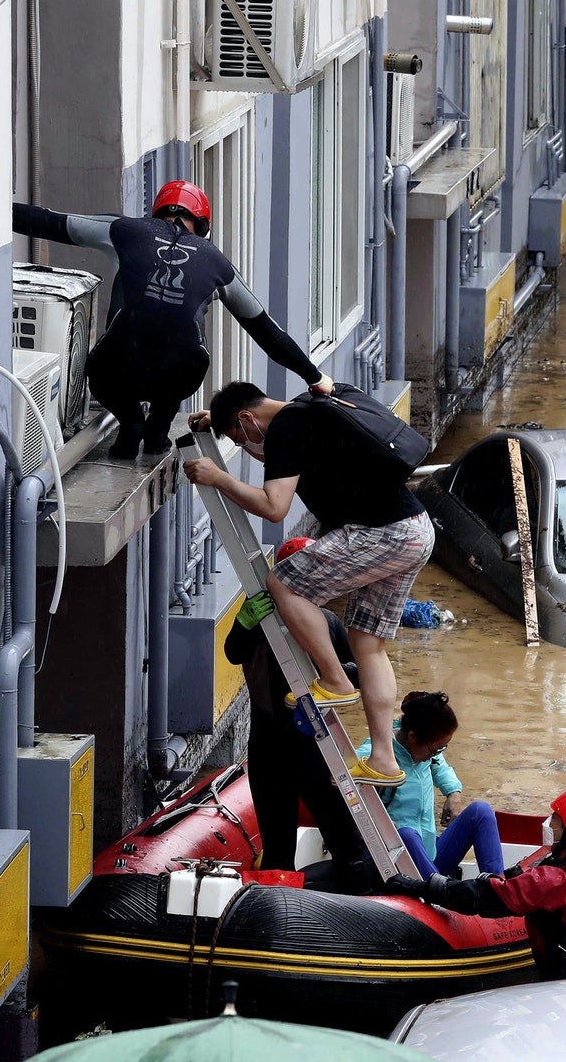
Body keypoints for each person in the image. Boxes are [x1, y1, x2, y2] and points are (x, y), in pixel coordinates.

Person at [184, 380, 436, 787]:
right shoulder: (310, 405)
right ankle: (384, 761)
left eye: (240, 437)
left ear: (248, 418)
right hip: (415, 529)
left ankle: (335, 680)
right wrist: (221, 419)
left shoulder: (284, 430)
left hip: (382, 533)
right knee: (367, 642)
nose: (247, 447)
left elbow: (273, 506)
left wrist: (218, 477)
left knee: (282, 583)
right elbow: (255, 419)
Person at [13, 182, 332, 459]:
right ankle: (157, 431)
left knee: (103, 362)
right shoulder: (218, 263)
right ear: (203, 225)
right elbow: (266, 331)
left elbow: (51, 223)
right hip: (179, 373)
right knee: (185, 351)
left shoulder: (125, 230)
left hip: (119, 366)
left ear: (157, 213)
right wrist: (314, 376)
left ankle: (131, 420)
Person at [223, 537, 378, 892]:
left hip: (316, 751)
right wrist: (244, 623)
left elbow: (354, 673)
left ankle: (360, 906)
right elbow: (233, 652)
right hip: (270, 751)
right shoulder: (258, 618)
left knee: (346, 842)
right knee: (278, 849)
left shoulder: (324, 622)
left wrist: (328, 672)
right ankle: (284, 920)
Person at [381, 790, 566, 979]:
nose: (549, 825)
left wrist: (419, 886)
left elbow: (481, 897)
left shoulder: (555, 881)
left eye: (556, 820)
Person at [364, 690, 505, 881]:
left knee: (481, 811)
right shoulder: (376, 752)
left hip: (430, 856)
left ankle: (497, 888)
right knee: (406, 835)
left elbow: (440, 766)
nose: (436, 754)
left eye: (441, 749)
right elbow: (338, 778)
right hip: (395, 864)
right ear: (413, 737)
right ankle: (439, 892)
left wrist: (453, 792)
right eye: (435, 749)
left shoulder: (425, 750)